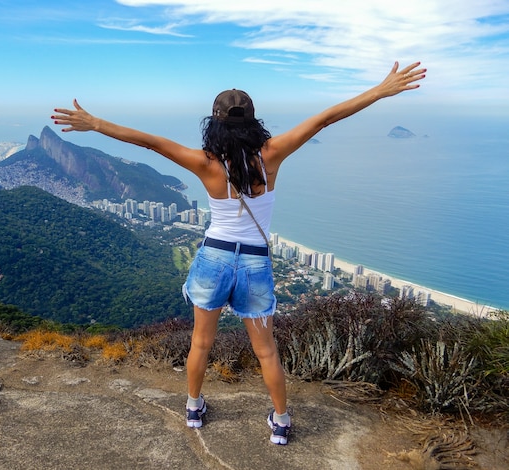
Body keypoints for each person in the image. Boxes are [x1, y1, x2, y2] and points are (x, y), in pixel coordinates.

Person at [51, 61, 426, 445]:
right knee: (266, 351)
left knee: (200, 343)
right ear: (253, 122)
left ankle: (194, 409)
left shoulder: (206, 163)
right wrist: (380, 91)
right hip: (253, 263)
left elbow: (150, 142)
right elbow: (323, 120)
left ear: (213, 124)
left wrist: (96, 124)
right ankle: (280, 421)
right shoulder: (272, 154)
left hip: (213, 259)